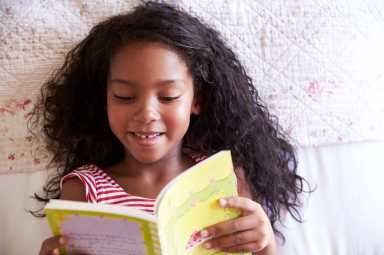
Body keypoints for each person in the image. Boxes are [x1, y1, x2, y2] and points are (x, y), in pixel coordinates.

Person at [30, 1, 308, 255]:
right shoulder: (84, 190)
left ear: (196, 100)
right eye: (125, 97)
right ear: (103, 100)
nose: (147, 114)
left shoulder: (224, 178)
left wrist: (265, 242)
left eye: (168, 97)